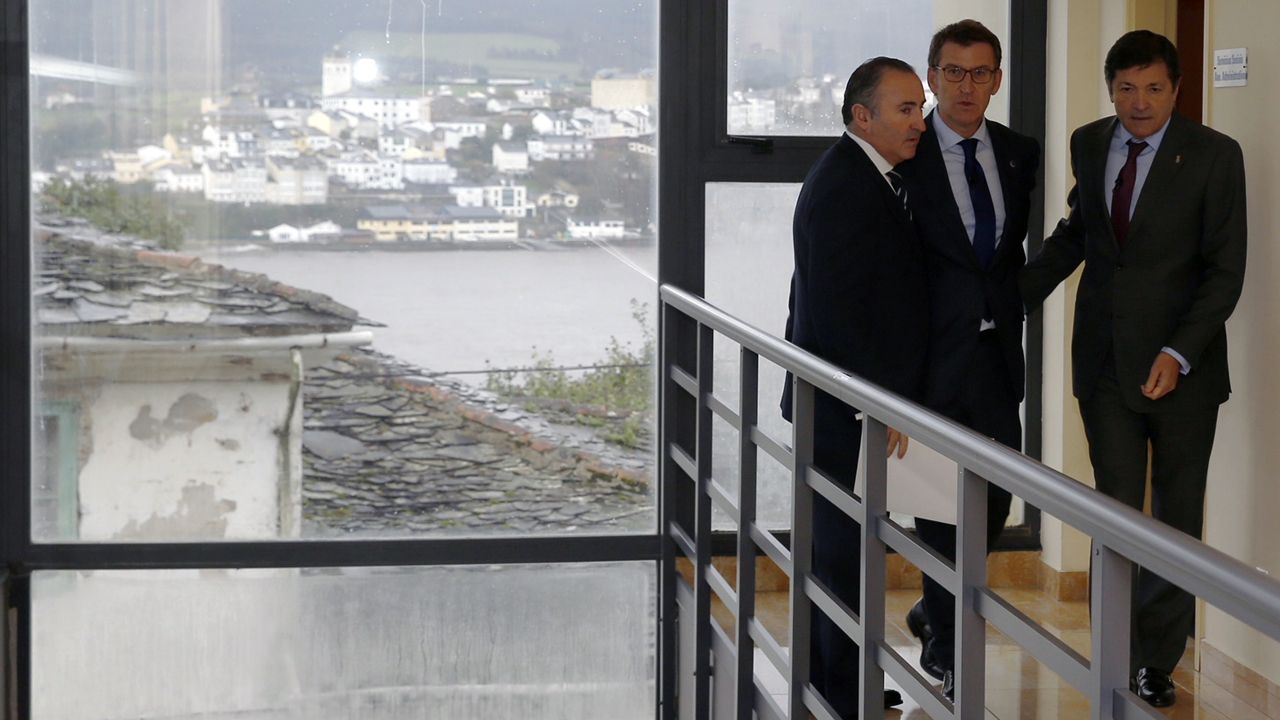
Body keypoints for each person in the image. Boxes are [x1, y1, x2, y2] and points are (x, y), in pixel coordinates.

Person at [1019, 30, 1247, 708]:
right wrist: (1010, 299)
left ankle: (1158, 661)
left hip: (1184, 367)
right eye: (1126, 88)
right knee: (1113, 511)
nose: (1139, 103)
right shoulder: (1090, 143)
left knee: (1175, 515)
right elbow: (1079, 233)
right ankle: (1115, 654)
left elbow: (1224, 272)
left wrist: (1179, 353)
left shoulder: (1213, 156)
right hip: (1105, 364)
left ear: (1176, 90)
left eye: (1153, 88)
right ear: (1110, 89)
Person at [893, 19, 1040, 701]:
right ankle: (948, 649)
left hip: (994, 361)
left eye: (981, 73)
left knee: (994, 505)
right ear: (932, 78)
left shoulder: (1018, 152)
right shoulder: (906, 150)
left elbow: (1007, 261)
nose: (966, 86)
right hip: (929, 364)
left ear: (998, 81)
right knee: (937, 510)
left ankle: (932, 611)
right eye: (953, 72)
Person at [780, 56, 928, 717]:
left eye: (919, 108)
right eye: (905, 109)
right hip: (841, 406)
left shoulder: (870, 177)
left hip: (842, 401)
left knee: (847, 552)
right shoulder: (845, 186)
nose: (918, 122)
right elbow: (837, 317)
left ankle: (839, 682)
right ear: (861, 117)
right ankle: (841, 693)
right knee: (842, 557)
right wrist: (881, 400)